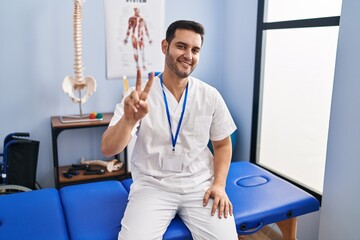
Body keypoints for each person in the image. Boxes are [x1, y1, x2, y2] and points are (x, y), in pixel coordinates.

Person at [102, 20, 238, 240]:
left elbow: (222, 143)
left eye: (195, 50)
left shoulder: (210, 95)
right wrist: (128, 121)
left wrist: (219, 185)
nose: (188, 55)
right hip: (153, 187)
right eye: (181, 46)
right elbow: (108, 148)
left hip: (200, 187)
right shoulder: (138, 98)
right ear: (165, 46)